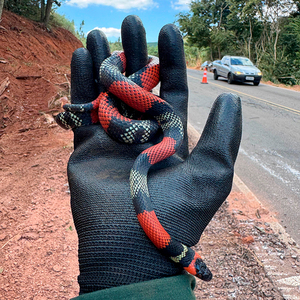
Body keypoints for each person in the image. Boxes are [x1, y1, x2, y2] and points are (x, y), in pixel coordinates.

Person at [63, 15, 242, 300]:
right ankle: (106, 98)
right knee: (110, 95)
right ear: (186, 261)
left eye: (200, 270)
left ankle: (105, 99)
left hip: (128, 108)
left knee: (109, 98)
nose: (201, 274)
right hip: (132, 105)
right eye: (199, 270)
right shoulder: (171, 245)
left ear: (188, 258)